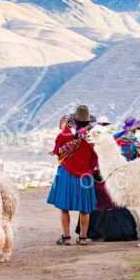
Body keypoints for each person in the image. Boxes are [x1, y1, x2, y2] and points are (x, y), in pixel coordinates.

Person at [47, 105, 98, 246]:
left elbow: (57, 151)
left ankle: (67, 237)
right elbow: (95, 158)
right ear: (88, 121)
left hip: (67, 173)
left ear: (74, 120)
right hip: (85, 176)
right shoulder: (92, 138)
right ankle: (83, 238)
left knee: (64, 208)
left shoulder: (65, 135)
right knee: (85, 209)